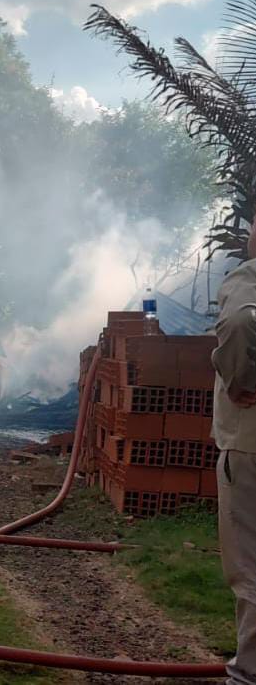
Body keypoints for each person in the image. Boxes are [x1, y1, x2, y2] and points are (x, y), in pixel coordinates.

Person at [212, 220, 256, 684]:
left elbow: (241, 321)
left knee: (251, 565)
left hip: (250, 445)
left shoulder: (250, 278)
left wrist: (242, 381)